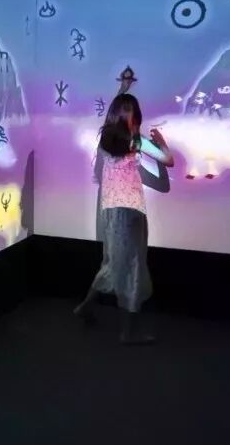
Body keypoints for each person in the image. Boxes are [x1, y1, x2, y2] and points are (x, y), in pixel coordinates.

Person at [74, 93, 174, 344]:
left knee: (112, 263)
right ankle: (126, 333)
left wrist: (123, 89)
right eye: (128, 109)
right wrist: (162, 143)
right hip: (130, 211)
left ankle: (86, 307)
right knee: (132, 266)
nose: (129, 114)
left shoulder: (106, 138)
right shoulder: (136, 141)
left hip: (110, 210)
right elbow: (169, 161)